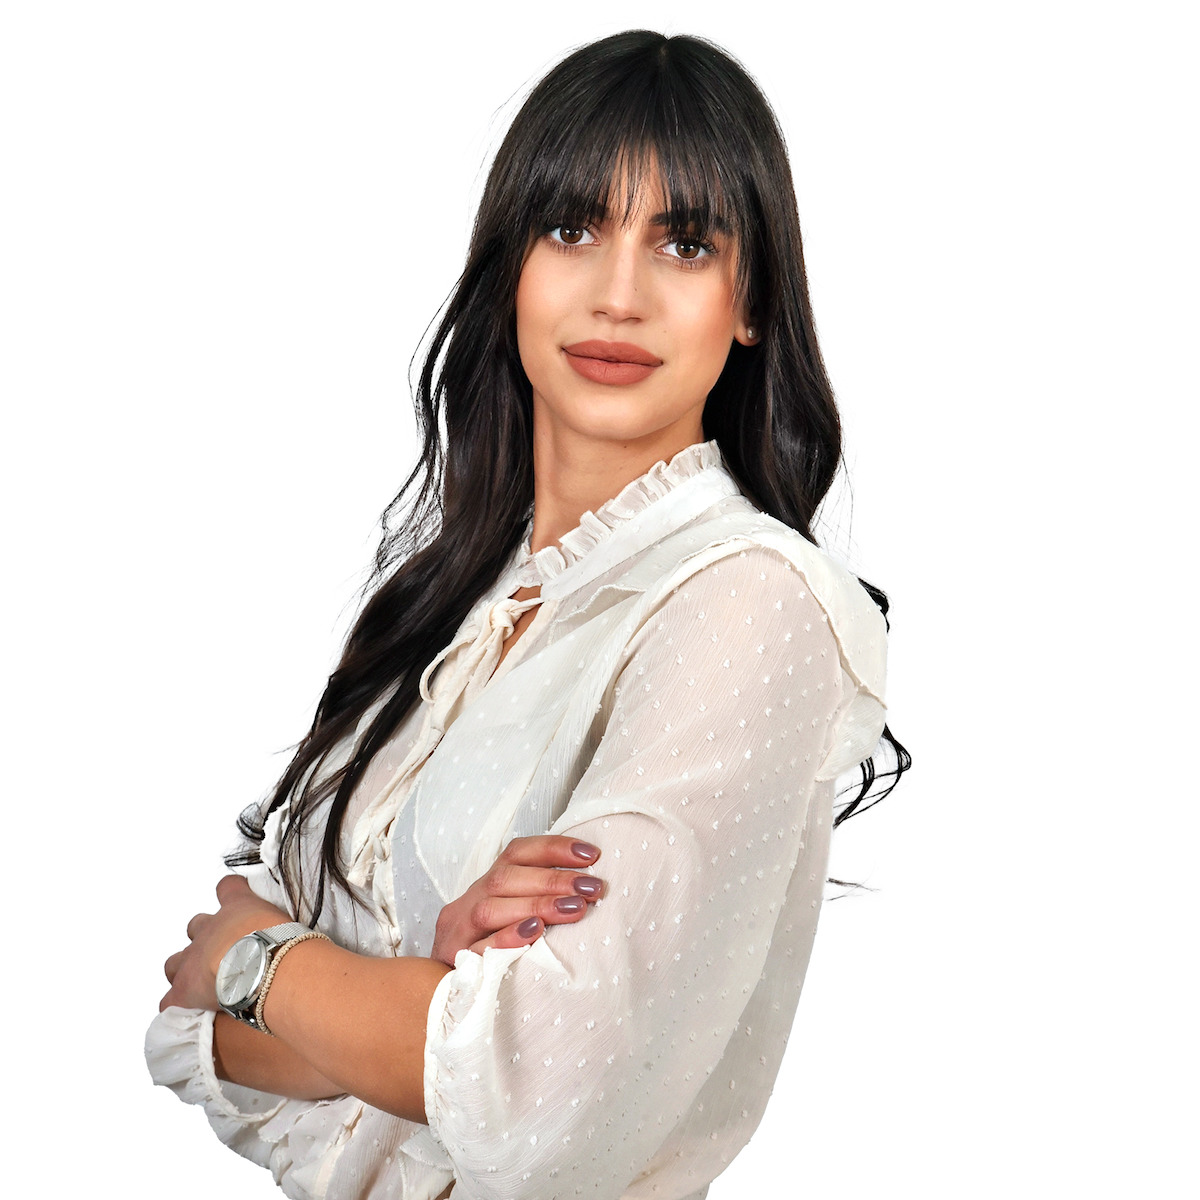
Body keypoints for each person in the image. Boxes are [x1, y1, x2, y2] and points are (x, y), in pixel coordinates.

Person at [148, 29, 908, 1200]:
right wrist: (419, 990)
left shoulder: (747, 602)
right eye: (571, 229)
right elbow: (189, 1042)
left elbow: (547, 1094)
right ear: (511, 266)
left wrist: (256, 963)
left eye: (685, 244)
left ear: (751, 301)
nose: (618, 294)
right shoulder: (442, 606)